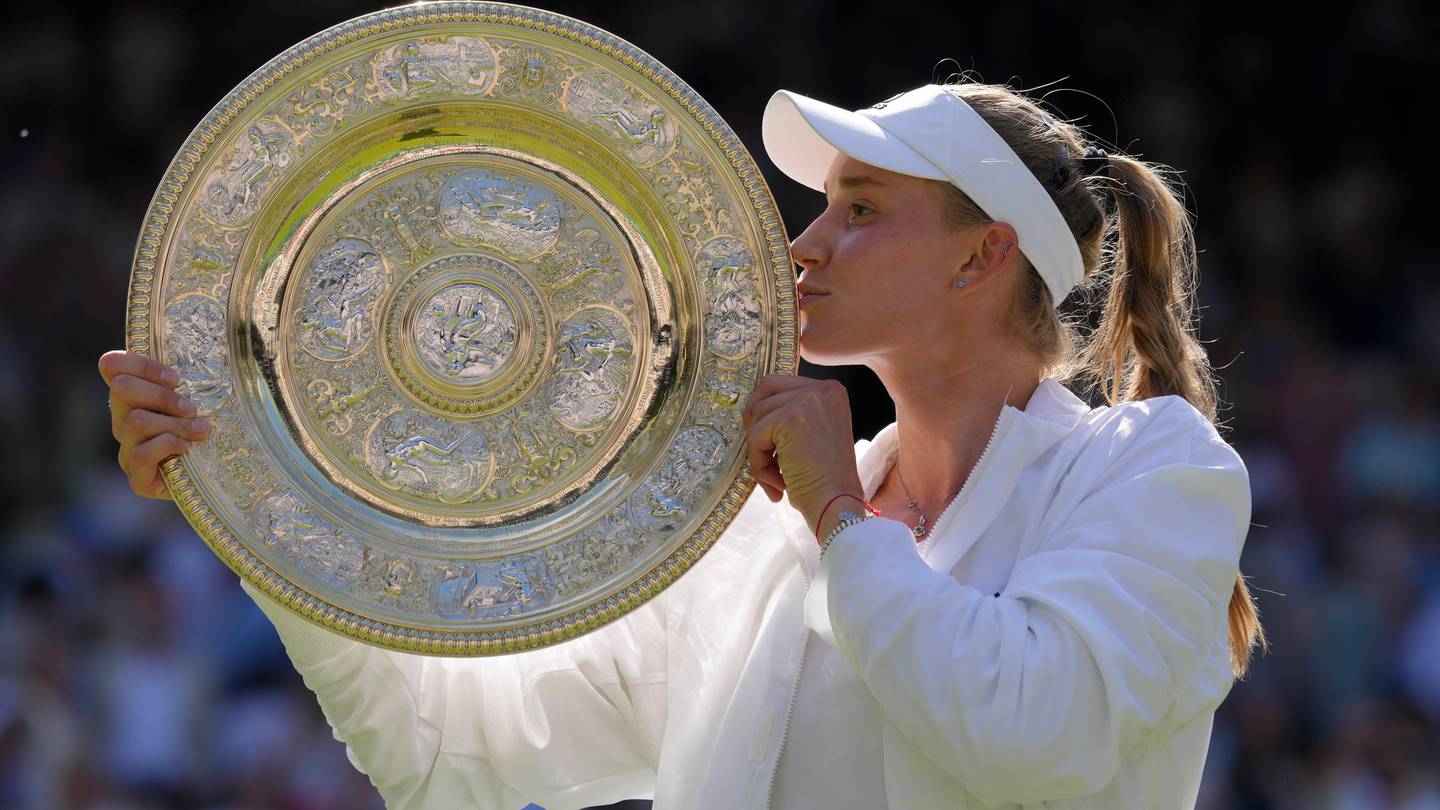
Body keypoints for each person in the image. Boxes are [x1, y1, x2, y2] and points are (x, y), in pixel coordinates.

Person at [98, 79, 1267, 809]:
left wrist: (839, 522)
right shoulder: (758, 533)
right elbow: (454, 762)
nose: (804, 245)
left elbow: (1027, 736)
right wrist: (260, 502)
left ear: (982, 256)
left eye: (860, 210)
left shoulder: (1152, 470)